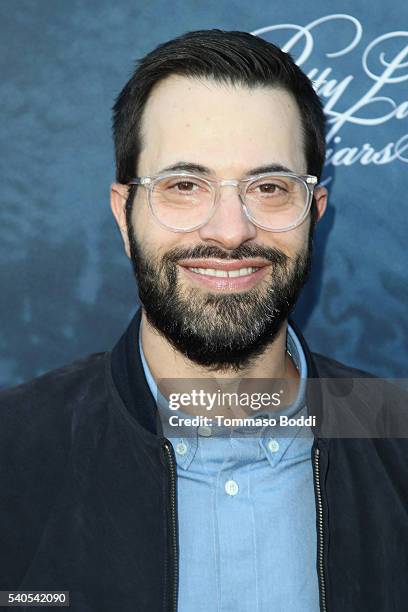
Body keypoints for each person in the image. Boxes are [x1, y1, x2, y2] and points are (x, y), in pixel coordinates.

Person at [1, 29, 407, 612]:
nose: (229, 230)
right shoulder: (13, 451)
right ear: (125, 214)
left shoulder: (396, 437)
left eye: (270, 188)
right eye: (184, 186)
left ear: (314, 213)